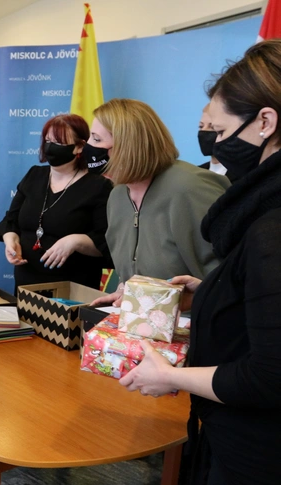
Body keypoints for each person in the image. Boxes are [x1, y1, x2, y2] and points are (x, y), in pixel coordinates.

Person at [119, 40, 281, 485]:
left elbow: (269, 377)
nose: (216, 145)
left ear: (265, 122)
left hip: (255, 454)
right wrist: (212, 292)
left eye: (221, 131)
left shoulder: (271, 228)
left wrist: (173, 376)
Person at [88, 99, 230, 307]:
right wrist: (124, 292)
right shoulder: (117, 196)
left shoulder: (189, 187)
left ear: (128, 145)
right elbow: (132, 269)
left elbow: (233, 272)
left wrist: (197, 298)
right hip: (142, 321)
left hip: (200, 320)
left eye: (96, 139)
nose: (88, 147)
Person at [0, 114, 112, 291]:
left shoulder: (98, 186)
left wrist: (75, 241)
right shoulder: (34, 175)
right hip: (26, 281)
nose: (50, 147)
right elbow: (11, 220)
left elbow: (106, 242)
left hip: (72, 286)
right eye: (47, 141)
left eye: (59, 143)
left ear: (79, 147)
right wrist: (10, 240)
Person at [197, 103, 233, 181]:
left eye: (212, 127)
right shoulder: (195, 174)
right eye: (201, 126)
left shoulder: (244, 174)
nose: (203, 131)